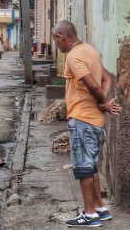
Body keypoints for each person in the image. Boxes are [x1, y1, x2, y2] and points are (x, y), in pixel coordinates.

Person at [51, 20, 122, 227]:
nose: (57, 46)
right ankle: (100, 208)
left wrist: (103, 103)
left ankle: (89, 214)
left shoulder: (74, 57)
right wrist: (104, 103)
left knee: (83, 169)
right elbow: (107, 79)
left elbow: (93, 86)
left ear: (60, 38)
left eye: (57, 41)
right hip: (95, 121)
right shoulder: (89, 50)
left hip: (83, 120)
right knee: (91, 167)